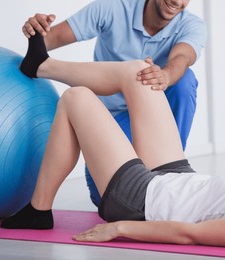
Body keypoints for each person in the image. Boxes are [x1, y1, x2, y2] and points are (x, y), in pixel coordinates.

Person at [1, 34, 225, 249]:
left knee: (77, 98)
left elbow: (190, 234)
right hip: (178, 178)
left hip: (143, 200)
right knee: (138, 73)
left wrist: (120, 228)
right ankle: (42, 66)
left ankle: (38, 210)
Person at [22, 0, 207, 206]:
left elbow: (182, 57)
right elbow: (48, 40)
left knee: (183, 80)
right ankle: (42, 66)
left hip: (156, 130)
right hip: (109, 122)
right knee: (82, 95)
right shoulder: (113, 7)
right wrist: (36, 30)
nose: (178, 1)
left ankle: (169, 172)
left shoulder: (192, 25)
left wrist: (166, 75)